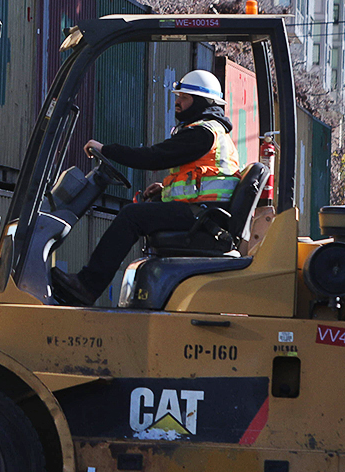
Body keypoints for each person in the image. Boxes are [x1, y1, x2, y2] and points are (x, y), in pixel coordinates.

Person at [51, 69, 242, 306]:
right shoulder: (209, 132)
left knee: (131, 216)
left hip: (205, 219)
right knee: (139, 211)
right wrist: (163, 191)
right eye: (177, 96)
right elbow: (200, 178)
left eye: (184, 97)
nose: (177, 102)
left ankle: (87, 286)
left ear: (202, 101)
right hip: (202, 213)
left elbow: (153, 157)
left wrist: (107, 150)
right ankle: (89, 284)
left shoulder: (203, 133)